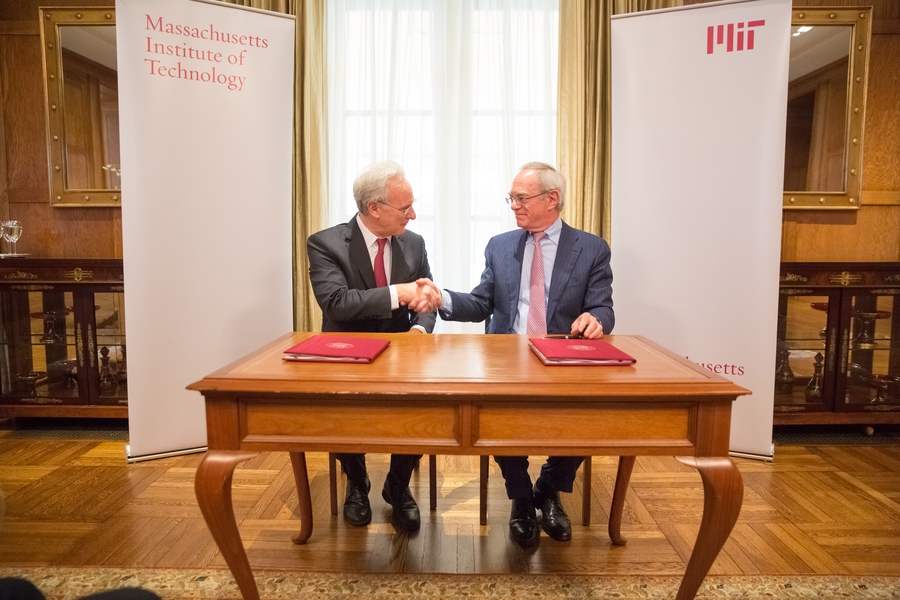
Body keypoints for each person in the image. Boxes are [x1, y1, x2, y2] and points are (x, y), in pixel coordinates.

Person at [414, 161, 614, 546]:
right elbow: (481, 303)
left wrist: (596, 317)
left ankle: (549, 490)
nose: (513, 206)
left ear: (551, 199)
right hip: (506, 358)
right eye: (512, 198)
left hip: (563, 359)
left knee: (583, 419)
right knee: (496, 421)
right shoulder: (500, 246)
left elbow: (604, 307)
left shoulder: (591, 249)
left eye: (521, 198)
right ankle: (522, 499)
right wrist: (443, 298)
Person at [306, 160, 438, 532]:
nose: (413, 214)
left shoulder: (414, 243)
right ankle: (357, 483)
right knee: (344, 419)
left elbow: (426, 300)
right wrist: (399, 292)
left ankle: (397, 487)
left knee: (419, 416)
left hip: (402, 353)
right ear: (374, 208)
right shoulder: (326, 243)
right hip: (346, 352)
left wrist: (419, 332)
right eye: (405, 207)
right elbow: (337, 303)